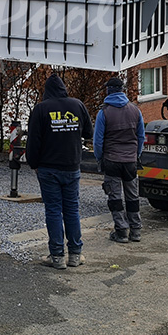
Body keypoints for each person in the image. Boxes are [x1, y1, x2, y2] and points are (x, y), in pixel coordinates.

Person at [26, 73, 92, 269]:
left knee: (53, 210)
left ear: (46, 91)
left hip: (48, 168)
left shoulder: (41, 109)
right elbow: (88, 132)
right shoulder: (77, 105)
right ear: (64, 88)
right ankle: (75, 254)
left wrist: (33, 163)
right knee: (72, 210)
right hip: (71, 166)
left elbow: (33, 141)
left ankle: (56, 256)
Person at [93, 76, 146, 243]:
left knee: (115, 197)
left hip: (112, 160)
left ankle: (121, 231)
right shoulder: (135, 110)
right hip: (130, 161)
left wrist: (99, 158)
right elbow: (141, 137)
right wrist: (136, 155)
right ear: (122, 90)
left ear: (108, 91)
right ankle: (135, 231)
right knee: (133, 196)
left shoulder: (104, 112)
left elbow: (98, 141)